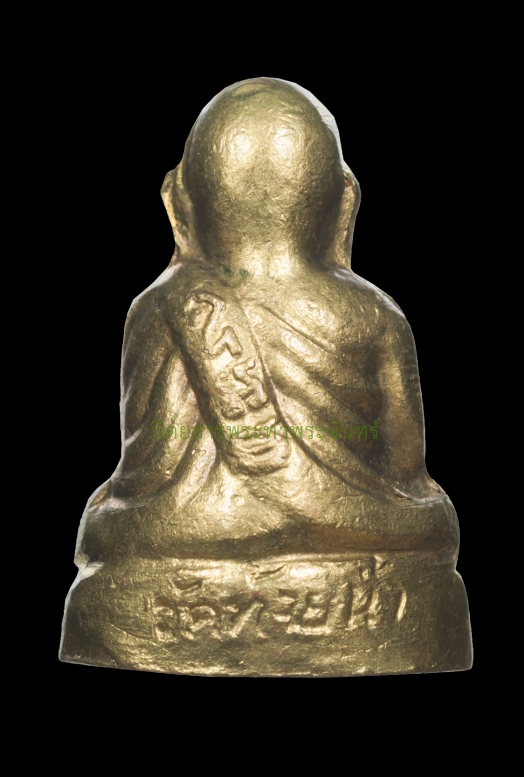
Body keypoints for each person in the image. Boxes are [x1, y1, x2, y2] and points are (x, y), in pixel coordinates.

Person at [77, 78, 457, 564]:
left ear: (179, 204)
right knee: (434, 518)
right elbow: (407, 475)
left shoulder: (155, 308)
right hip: (352, 534)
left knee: (106, 525)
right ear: (345, 201)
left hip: (190, 535)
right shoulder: (377, 315)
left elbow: (139, 480)